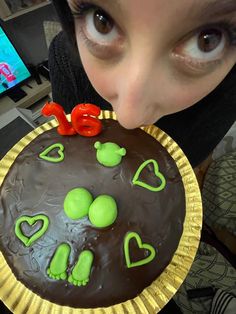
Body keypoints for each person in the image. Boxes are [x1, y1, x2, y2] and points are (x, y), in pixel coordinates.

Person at [49, 1, 236, 313]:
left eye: (207, 39)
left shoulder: (227, 92)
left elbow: (191, 171)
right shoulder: (66, 60)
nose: (130, 116)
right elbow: (73, 150)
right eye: (102, 21)